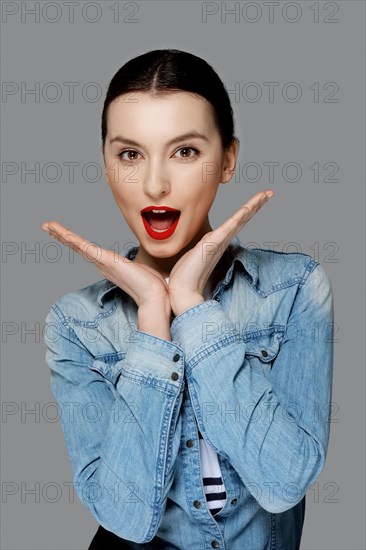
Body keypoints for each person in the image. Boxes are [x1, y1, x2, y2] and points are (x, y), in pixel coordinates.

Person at [42, 49, 334, 549]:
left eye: (185, 151)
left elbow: (284, 482)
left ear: (227, 160)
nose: (155, 184)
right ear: (107, 165)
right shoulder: (77, 325)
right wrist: (154, 321)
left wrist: (192, 307)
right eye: (130, 154)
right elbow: (124, 518)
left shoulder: (294, 289)